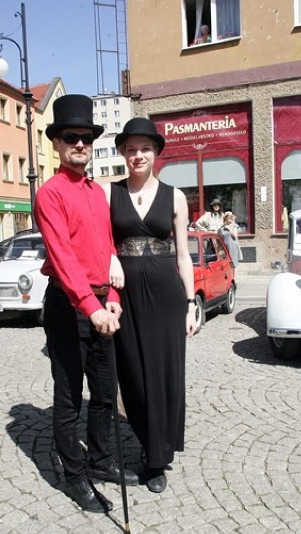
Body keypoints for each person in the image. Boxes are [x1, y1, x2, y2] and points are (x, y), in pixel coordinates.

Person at [34, 94, 140, 513]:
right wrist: (90, 307)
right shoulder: (51, 193)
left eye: (86, 137)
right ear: (58, 144)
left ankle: (99, 459)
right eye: (70, 137)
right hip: (68, 306)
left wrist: (111, 299)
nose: (79, 143)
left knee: (103, 391)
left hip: (101, 306)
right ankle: (73, 476)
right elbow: (62, 257)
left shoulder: (98, 193)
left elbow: (107, 251)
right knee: (68, 394)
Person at [106, 117, 196, 493]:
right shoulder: (108, 193)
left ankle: (156, 457)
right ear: (123, 154)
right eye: (130, 149)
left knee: (164, 375)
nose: (137, 155)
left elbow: (184, 255)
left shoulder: (174, 196)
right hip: (125, 296)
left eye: (144, 148)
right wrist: (110, 258)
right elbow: (101, 241)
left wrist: (192, 304)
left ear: (156, 153)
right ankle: (145, 435)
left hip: (167, 297)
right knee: (132, 375)